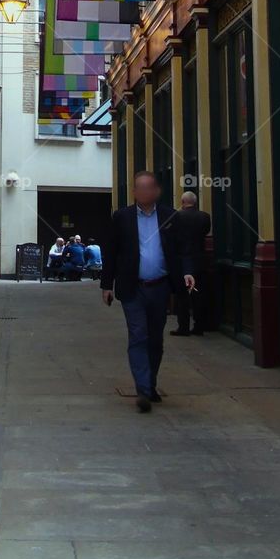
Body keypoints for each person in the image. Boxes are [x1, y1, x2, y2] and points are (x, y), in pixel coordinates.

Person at [101, 170, 198, 413]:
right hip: (132, 288)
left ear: (156, 191)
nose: (144, 192)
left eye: (149, 187)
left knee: (155, 340)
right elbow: (111, 252)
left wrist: (187, 272)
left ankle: (150, 383)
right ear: (134, 192)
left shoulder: (171, 217)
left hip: (160, 287)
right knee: (138, 336)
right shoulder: (121, 217)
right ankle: (143, 390)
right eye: (139, 187)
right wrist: (106, 284)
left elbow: (182, 250)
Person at [170, 190, 211, 337]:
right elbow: (206, 233)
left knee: (182, 296)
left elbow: (171, 238)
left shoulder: (176, 217)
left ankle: (184, 327)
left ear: (182, 202)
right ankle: (199, 326)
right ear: (196, 202)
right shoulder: (205, 217)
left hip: (182, 261)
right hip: (199, 259)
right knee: (198, 295)